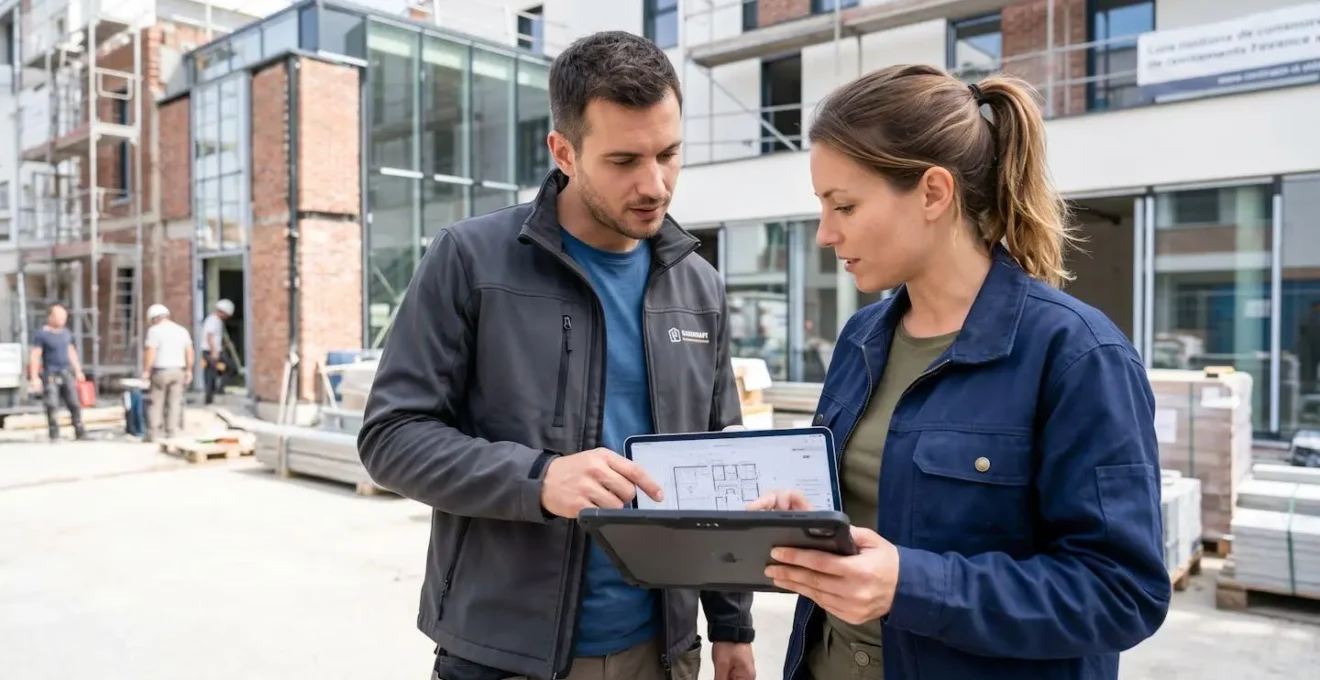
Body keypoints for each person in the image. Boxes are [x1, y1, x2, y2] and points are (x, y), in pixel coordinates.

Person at [747, 65, 1171, 680]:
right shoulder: (861, 339)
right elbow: (867, 511)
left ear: (933, 193)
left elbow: (1122, 593)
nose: (824, 233)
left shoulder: (1077, 355)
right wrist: (803, 515)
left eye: (845, 205)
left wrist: (911, 586)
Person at [358, 31, 756, 680]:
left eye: (670, 153)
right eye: (625, 160)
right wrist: (540, 478)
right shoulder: (469, 259)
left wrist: (732, 626)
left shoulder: (699, 285)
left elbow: (718, 456)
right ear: (564, 151)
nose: (655, 184)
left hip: (662, 653)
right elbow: (391, 437)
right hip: (504, 653)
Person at [27, 303, 87, 441]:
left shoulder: (66, 333)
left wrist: (78, 370)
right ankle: (54, 432)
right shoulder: (42, 334)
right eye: (59, 316)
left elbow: (71, 352)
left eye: (64, 317)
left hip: (66, 372)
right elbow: (35, 355)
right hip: (51, 374)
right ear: (50, 317)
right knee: (52, 403)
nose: (62, 319)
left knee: (74, 402)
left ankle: (79, 430)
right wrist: (34, 376)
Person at [142, 304, 195, 441]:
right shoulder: (181, 330)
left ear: (154, 318)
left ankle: (153, 433)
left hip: (161, 371)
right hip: (179, 370)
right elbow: (189, 351)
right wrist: (189, 370)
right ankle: (172, 431)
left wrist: (146, 370)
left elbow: (151, 352)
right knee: (175, 402)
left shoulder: (155, 331)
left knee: (156, 402)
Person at [200, 299, 233, 404]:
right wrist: (214, 352)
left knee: (225, 368)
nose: (227, 317)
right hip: (209, 352)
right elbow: (209, 336)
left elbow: (216, 337)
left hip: (215, 351)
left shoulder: (218, 321)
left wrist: (223, 345)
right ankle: (209, 398)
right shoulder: (212, 320)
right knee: (211, 374)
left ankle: (218, 390)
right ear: (223, 312)